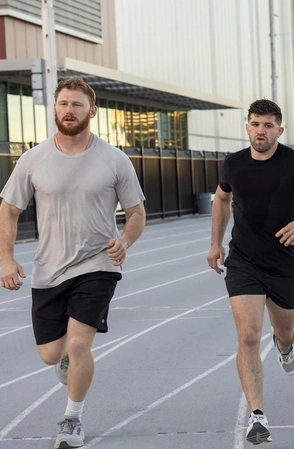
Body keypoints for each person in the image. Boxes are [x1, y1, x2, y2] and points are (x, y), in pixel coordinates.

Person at [0, 77, 146, 448]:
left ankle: (72, 420)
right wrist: (5, 258)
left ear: (92, 111)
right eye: (63, 103)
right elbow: (9, 210)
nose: (69, 110)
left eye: (77, 104)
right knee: (52, 354)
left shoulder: (114, 159)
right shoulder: (33, 159)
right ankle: (66, 360)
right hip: (48, 270)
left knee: (80, 345)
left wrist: (125, 240)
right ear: (54, 109)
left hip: (98, 264)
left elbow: (136, 212)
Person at [206, 99, 294, 445]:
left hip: (282, 264)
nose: (260, 131)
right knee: (249, 336)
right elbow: (221, 199)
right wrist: (215, 243)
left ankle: (285, 347)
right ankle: (257, 415)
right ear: (247, 127)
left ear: (279, 130)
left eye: (268, 125)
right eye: (255, 124)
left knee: (286, 331)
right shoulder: (233, 163)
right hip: (243, 262)